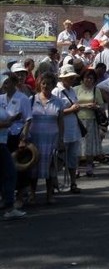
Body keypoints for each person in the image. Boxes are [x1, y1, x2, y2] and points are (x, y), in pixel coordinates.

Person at [27, 72, 64, 204]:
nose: (46, 86)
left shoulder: (58, 102)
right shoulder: (31, 100)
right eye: (43, 83)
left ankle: (50, 195)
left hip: (51, 140)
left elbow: (60, 122)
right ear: (39, 84)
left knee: (50, 168)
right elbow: (27, 120)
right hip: (34, 140)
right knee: (32, 168)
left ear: (53, 85)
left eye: (49, 83)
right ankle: (32, 195)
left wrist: (61, 140)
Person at [53, 65, 83, 193]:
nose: (71, 79)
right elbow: (55, 112)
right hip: (61, 129)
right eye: (69, 77)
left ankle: (73, 183)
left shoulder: (72, 90)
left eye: (72, 77)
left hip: (73, 128)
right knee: (58, 159)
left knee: (72, 157)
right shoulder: (56, 91)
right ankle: (54, 184)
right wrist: (71, 110)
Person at [0, 72, 26, 220]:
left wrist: (13, 119)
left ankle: (7, 203)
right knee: (10, 173)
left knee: (7, 173)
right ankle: (9, 206)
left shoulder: (3, 101)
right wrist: (8, 123)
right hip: (1, 143)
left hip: (3, 141)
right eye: (4, 83)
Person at [73, 69, 105, 177]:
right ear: (82, 78)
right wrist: (83, 106)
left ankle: (89, 167)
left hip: (92, 120)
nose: (89, 80)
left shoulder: (96, 90)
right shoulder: (76, 89)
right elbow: (72, 105)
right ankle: (76, 168)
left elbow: (102, 106)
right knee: (78, 144)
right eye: (87, 77)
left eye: (91, 78)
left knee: (90, 145)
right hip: (78, 120)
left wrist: (96, 107)